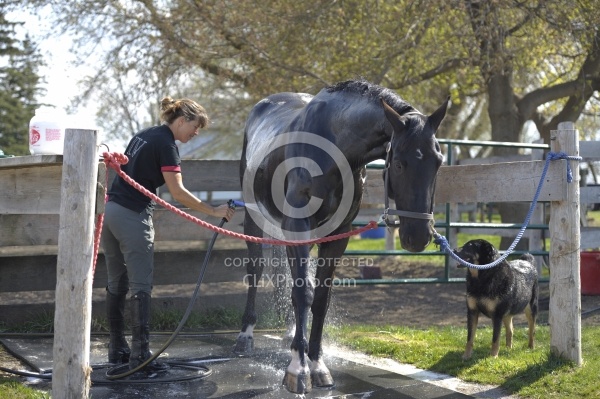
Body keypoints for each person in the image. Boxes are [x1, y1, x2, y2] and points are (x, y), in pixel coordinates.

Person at [101, 96, 235, 372]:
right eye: (195, 127)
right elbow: (177, 192)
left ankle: (117, 349)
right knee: (141, 286)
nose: (195, 133)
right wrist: (213, 211)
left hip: (111, 212)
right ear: (182, 120)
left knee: (116, 282)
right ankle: (141, 356)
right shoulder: (166, 144)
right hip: (132, 216)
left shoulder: (145, 135)